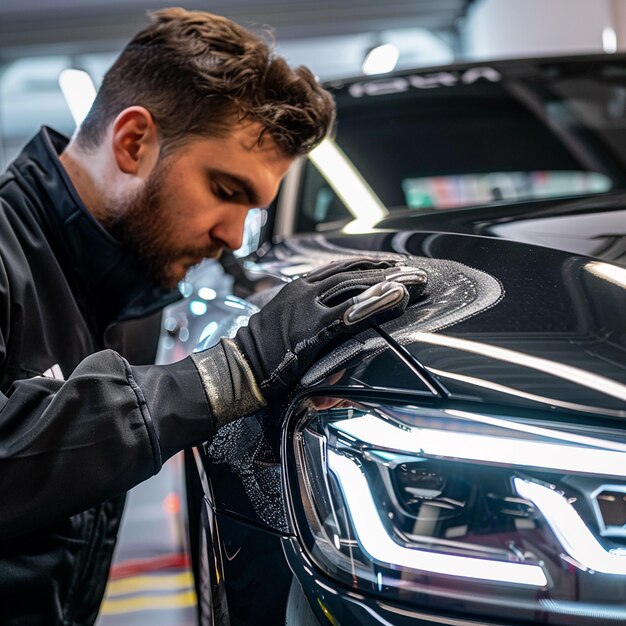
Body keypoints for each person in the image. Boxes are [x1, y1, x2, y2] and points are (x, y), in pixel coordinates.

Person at [0, 7, 425, 625]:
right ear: (133, 142)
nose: (232, 236)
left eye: (252, 209)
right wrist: (230, 374)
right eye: (226, 191)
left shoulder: (131, 293)